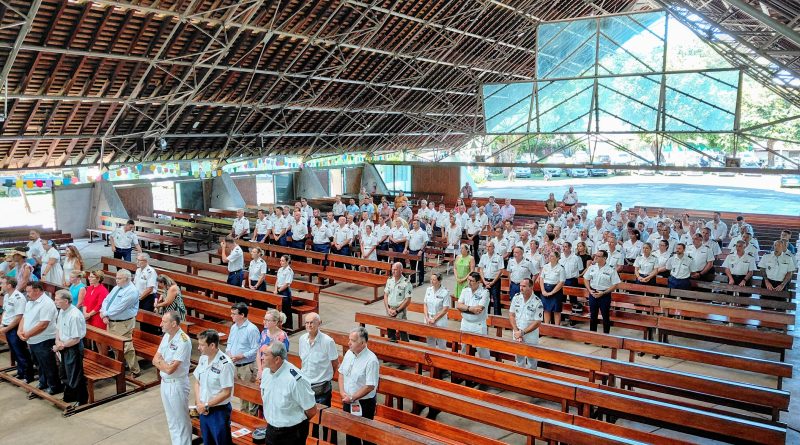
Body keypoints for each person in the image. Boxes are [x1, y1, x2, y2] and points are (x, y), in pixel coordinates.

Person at [260, 341, 317, 445]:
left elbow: (311, 410)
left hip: (291, 434)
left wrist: (295, 420)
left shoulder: (295, 380)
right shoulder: (266, 373)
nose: (262, 357)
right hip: (271, 430)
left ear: (277, 359)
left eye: (265, 354)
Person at [154, 311, 192, 444]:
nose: (161, 324)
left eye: (164, 322)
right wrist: (164, 364)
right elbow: (155, 359)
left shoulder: (183, 340)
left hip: (177, 384)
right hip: (165, 382)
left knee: (181, 421)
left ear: (174, 323)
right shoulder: (166, 336)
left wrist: (161, 363)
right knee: (171, 420)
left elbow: (171, 369)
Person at [299, 313, 339, 440]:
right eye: (307, 323)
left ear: (319, 323)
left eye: (312, 322)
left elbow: (335, 363)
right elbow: (303, 362)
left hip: (322, 388)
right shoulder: (302, 339)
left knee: (325, 419)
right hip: (306, 386)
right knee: (310, 420)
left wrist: (327, 377)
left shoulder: (327, 341)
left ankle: (329, 442)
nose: (309, 325)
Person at [19, 282, 63, 395]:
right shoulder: (30, 301)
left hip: (44, 339)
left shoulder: (46, 303)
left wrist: (27, 334)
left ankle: (55, 386)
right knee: (39, 363)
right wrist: (20, 330)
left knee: (48, 364)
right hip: (32, 339)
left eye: (29, 291)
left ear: (37, 291)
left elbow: (43, 324)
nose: (27, 294)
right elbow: (24, 317)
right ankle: (43, 382)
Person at [338, 327, 380, 445]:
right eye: (349, 339)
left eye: (353, 340)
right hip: (347, 400)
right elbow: (341, 373)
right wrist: (342, 392)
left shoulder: (371, 360)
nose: (349, 343)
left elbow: (370, 386)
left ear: (362, 343)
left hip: (364, 403)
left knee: (366, 435)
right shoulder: (349, 353)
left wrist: (352, 397)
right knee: (350, 434)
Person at [193, 329, 235, 445]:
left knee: (221, 442)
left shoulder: (225, 364)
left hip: (218, 412)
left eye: (202, 345)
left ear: (212, 345)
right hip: (203, 409)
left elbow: (226, 392)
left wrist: (206, 405)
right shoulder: (203, 358)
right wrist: (199, 403)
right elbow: (197, 382)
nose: (198, 348)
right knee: (207, 442)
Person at [100, 269, 141, 377]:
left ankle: (135, 370)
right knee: (114, 345)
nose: (116, 280)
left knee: (127, 348)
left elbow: (120, 308)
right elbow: (106, 300)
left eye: (119, 278)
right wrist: (103, 312)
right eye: (116, 278)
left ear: (127, 279)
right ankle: (121, 366)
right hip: (112, 321)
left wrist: (105, 314)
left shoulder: (132, 291)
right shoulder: (117, 287)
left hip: (124, 323)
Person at [53, 289, 88, 406]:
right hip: (64, 346)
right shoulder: (62, 311)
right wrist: (57, 341)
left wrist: (60, 346)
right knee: (64, 373)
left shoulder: (74, 315)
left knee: (74, 374)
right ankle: (69, 396)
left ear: (66, 301)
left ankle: (81, 399)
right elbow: (58, 328)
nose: (55, 301)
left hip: (73, 348)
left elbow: (75, 339)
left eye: (57, 300)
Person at [226, 303, 261, 416]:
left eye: (234, 314)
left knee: (250, 396)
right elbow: (229, 343)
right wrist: (229, 353)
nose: (231, 316)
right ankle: (243, 416)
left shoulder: (251, 329)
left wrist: (241, 356)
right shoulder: (234, 327)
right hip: (235, 365)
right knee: (241, 394)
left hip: (247, 366)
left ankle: (251, 418)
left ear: (242, 315)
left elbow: (256, 349)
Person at [1, 277, 35, 383]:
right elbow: (5, 312)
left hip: (14, 328)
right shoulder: (7, 296)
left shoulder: (18, 297)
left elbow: (19, 317)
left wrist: (7, 328)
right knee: (14, 352)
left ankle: (28, 375)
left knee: (21, 352)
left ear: (9, 285)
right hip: (7, 327)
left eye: (2, 283)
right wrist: (2, 325)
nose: (1, 285)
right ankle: (21, 372)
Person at [509, 278, 544, 369]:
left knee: (532, 359)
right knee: (519, 358)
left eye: (524, 286)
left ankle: (531, 377)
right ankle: (520, 375)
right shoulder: (516, 298)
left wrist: (523, 332)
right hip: (517, 332)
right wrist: (517, 331)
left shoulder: (537, 302)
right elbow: (511, 315)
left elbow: (537, 322)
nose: (521, 288)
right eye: (520, 286)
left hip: (530, 335)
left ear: (531, 287)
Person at [583, 250, 621, 334]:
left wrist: (603, 293)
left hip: (604, 295)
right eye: (595, 255)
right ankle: (592, 335)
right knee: (593, 316)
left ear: (604, 258)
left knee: (605, 317)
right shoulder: (592, 267)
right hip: (593, 293)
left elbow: (615, 284)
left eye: (598, 256)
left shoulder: (611, 269)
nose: (595, 257)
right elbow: (586, 278)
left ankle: (606, 336)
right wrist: (589, 290)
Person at [457, 272, 490, 359]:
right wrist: (470, 309)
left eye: (472, 281)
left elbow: (478, 310)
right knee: (464, 348)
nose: (469, 282)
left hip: (478, 325)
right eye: (468, 280)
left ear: (478, 282)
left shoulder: (484, 292)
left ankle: (486, 366)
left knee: (482, 349)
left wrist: (464, 309)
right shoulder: (465, 290)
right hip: (465, 323)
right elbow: (459, 306)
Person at [257, 309, 290, 379]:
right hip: (263, 368)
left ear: (275, 322)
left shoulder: (282, 336)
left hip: (276, 371)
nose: (264, 322)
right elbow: (258, 352)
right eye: (264, 319)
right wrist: (260, 370)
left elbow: (283, 358)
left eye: (267, 320)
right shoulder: (264, 333)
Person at [383, 262, 412, 342]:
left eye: (395, 269)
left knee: (403, 331)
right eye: (392, 269)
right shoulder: (389, 280)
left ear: (401, 270)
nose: (393, 271)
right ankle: (392, 346)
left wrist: (397, 311)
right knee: (390, 332)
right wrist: (388, 309)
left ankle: (406, 347)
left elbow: (408, 300)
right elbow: (385, 295)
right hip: (389, 309)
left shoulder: (406, 283)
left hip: (400, 311)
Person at [423, 273, 451, 349]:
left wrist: (434, 319)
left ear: (439, 281)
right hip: (429, 318)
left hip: (440, 319)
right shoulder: (428, 289)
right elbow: (425, 304)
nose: (431, 281)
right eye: (431, 279)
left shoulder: (445, 292)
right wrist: (427, 317)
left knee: (441, 342)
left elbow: (445, 309)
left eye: (434, 280)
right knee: (430, 340)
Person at [538, 251, 565, 326]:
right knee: (546, 309)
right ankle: (547, 327)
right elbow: (541, 278)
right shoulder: (546, 266)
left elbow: (561, 282)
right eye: (549, 256)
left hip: (556, 290)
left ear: (557, 258)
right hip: (545, 289)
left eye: (552, 256)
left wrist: (552, 292)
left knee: (556, 310)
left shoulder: (561, 268)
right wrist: (543, 290)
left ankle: (556, 328)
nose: (550, 257)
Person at [478, 241, 503, 316]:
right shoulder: (483, 256)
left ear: (493, 247)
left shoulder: (498, 257)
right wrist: (484, 281)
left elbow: (500, 271)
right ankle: (485, 316)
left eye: (490, 246)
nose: (488, 248)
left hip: (495, 281)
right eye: (487, 246)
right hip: (485, 280)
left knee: (496, 300)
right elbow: (481, 269)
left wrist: (493, 282)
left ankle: (497, 317)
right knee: (485, 299)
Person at [559, 242, 584, 312]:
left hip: (572, 280)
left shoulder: (576, 258)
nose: (564, 248)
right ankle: (563, 313)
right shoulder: (560, 256)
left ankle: (574, 312)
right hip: (562, 280)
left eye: (566, 247)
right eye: (563, 246)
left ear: (570, 248)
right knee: (562, 298)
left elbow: (581, 269)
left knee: (573, 299)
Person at [405, 219, 428, 285]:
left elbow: (425, 242)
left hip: (419, 251)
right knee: (412, 265)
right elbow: (407, 240)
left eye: (414, 223)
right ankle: (413, 279)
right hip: (411, 250)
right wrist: (405, 248)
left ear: (418, 224)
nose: (413, 225)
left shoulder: (423, 232)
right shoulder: (411, 231)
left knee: (420, 266)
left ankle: (421, 280)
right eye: (413, 223)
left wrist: (421, 250)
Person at [275, 255, 295, 329]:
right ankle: (281, 324)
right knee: (280, 309)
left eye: (283, 261)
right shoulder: (280, 269)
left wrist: (278, 290)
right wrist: (275, 289)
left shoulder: (289, 271)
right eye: (280, 260)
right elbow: (277, 280)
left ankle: (288, 326)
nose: (281, 262)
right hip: (278, 290)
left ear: (287, 261)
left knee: (286, 310)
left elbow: (287, 284)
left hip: (285, 291)